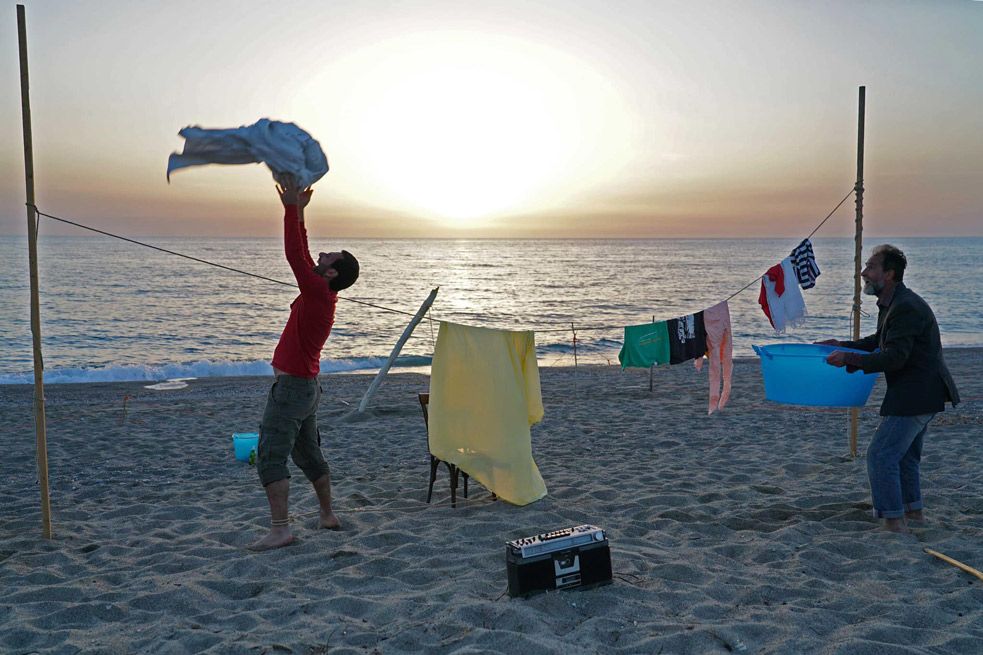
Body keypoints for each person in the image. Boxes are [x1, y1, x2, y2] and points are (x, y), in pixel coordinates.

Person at [247, 176, 360, 552]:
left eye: (329, 259)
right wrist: (300, 214)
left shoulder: (318, 292)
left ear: (331, 275)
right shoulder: (322, 291)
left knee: (270, 457)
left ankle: (281, 529)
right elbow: (306, 254)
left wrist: (291, 209)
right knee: (309, 454)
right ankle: (327, 514)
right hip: (307, 389)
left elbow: (295, 256)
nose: (322, 255)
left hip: (294, 388)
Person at [819, 244, 959, 534]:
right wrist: (843, 345)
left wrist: (849, 359)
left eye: (870, 267)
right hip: (923, 393)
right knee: (905, 457)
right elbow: (879, 339)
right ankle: (914, 514)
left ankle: (894, 523)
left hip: (916, 395)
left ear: (889, 274)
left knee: (881, 454)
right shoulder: (892, 302)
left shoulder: (905, 306)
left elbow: (895, 357)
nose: (863, 272)